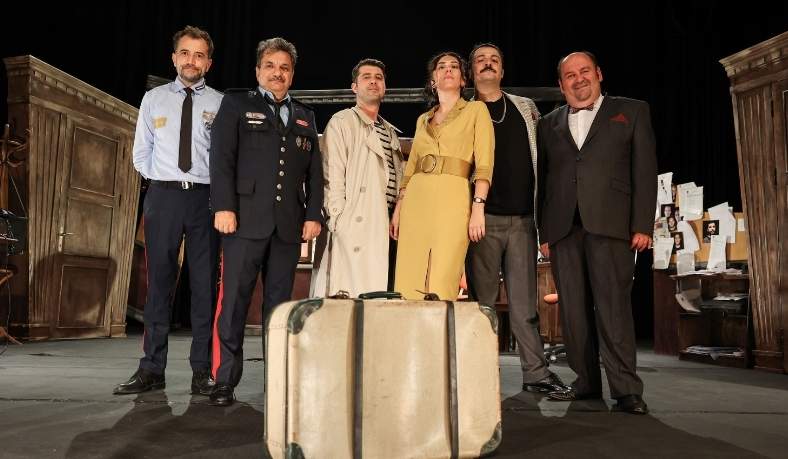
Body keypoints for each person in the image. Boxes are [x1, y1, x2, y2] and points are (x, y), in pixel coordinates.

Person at [537, 51, 657, 414]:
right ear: (561, 85)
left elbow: (644, 170)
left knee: (613, 309)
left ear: (599, 74)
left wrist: (642, 224)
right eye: (570, 75)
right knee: (573, 313)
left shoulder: (631, 111)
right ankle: (586, 382)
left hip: (612, 224)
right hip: (563, 228)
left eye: (584, 71)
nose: (579, 79)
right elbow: (544, 181)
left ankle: (626, 390)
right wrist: (544, 232)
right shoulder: (548, 124)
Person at [209, 37, 323, 406]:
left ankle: (277, 381)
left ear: (292, 74)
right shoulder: (237, 103)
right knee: (234, 304)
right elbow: (221, 158)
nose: (278, 73)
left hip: (288, 226)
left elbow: (315, 173)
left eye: (284, 68)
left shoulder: (305, 115)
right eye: (271, 66)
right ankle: (224, 379)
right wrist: (223, 207)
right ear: (258, 70)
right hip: (242, 222)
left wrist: (313, 215)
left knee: (279, 308)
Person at [116, 25, 221, 396]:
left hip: (206, 199)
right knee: (159, 283)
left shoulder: (220, 103)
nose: (191, 60)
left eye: (199, 55)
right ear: (174, 57)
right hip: (163, 198)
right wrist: (163, 180)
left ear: (208, 63)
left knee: (204, 286)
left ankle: (202, 371)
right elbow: (140, 153)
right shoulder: (154, 99)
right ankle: (151, 368)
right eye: (185, 53)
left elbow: (224, 157)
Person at [464, 43, 569, 394]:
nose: (488, 64)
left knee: (525, 307)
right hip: (482, 223)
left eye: (494, 60)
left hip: (523, 221)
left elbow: (546, 159)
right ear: (471, 71)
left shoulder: (525, 107)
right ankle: (481, 378)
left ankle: (536, 375)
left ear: (502, 70)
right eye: (481, 60)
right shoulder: (464, 111)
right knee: (482, 307)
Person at [390, 51, 494, 301]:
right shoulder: (422, 120)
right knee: (409, 277)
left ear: (463, 79)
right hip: (417, 200)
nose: (448, 69)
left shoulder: (476, 110)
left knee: (443, 277)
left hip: (453, 199)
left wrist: (478, 207)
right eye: (442, 67)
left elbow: (484, 164)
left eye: (454, 66)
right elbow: (411, 168)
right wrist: (399, 207)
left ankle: (440, 326)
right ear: (433, 80)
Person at [311, 58, 404, 297]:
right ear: (354, 87)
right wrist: (338, 218)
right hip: (354, 221)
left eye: (379, 78)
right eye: (366, 77)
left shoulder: (390, 131)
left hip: (383, 222)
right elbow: (332, 173)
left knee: (377, 294)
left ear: (384, 87)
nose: (373, 81)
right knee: (347, 295)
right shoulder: (342, 122)